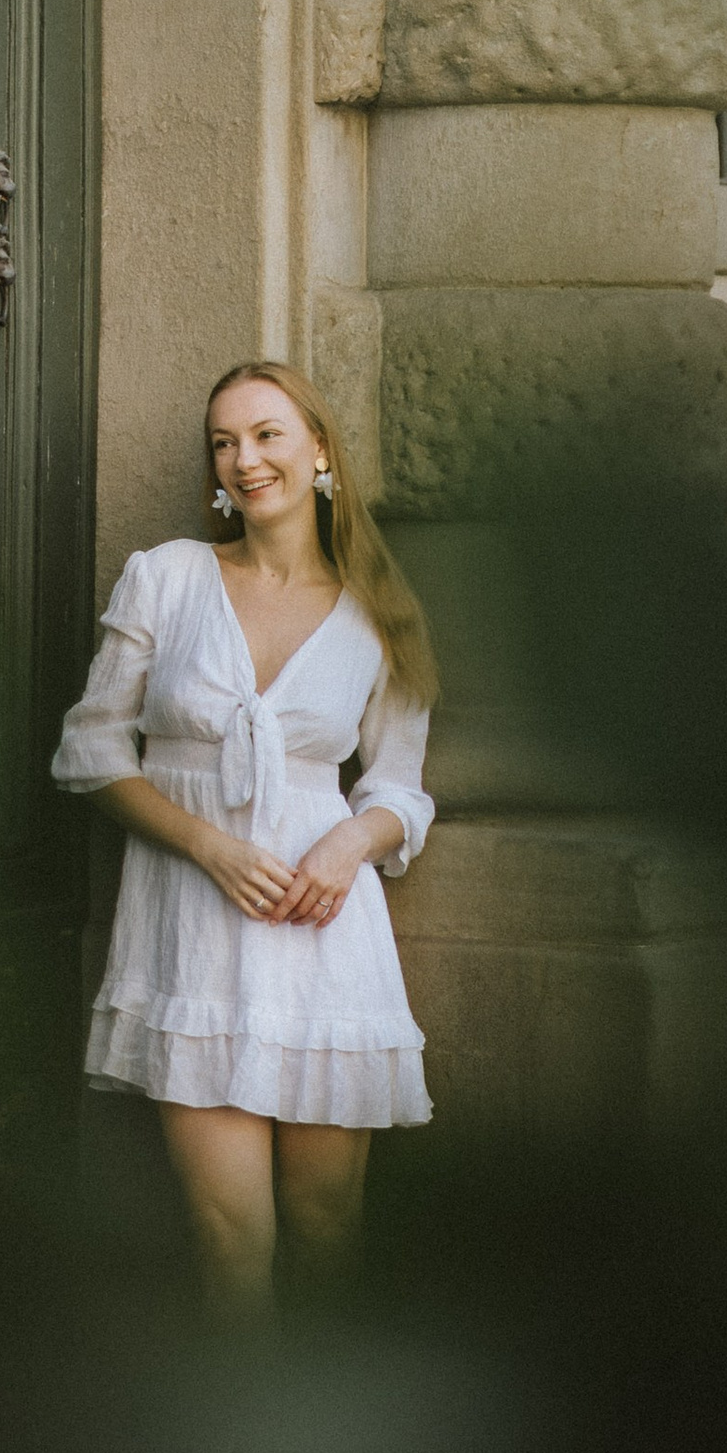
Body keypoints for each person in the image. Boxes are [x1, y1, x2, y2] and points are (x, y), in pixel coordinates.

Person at [52, 361, 438, 1314]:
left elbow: (398, 787)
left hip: (323, 930)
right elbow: (89, 748)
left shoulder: (377, 609)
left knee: (324, 1227)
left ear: (318, 450)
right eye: (224, 441)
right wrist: (208, 846)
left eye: (266, 433)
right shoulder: (168, 576)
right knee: (232, 1243)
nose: (244, 458)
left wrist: (349, 844)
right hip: (193, 926)